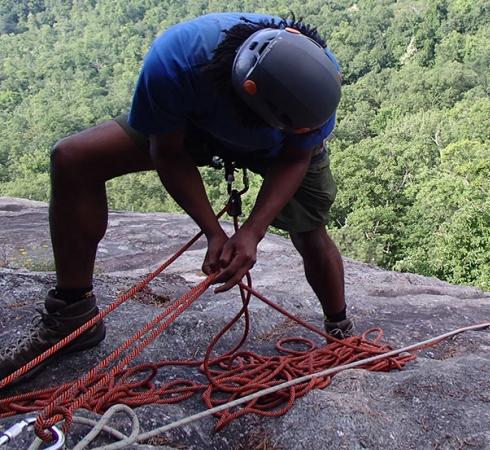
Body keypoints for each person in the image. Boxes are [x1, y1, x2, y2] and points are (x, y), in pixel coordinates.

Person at [0, 13, 353, 385]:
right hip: (193, 121)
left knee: (310, 232)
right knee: (73, 159)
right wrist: (213, 232)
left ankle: (339, 326)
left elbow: (297, 156)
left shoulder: (315, 80)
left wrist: (253, 231)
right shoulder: (176, 62)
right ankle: (73, 312)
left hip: (277, 142)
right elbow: (167, 153)